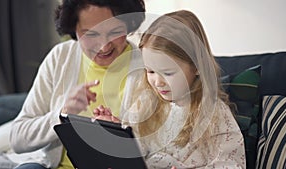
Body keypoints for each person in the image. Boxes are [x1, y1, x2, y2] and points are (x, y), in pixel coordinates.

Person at [94, 10, 246, 168]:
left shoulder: (213, 114)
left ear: (197, 66)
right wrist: (117, 131)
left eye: (168, 73)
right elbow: (135, 150)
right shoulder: (146, 102)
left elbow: (231, 164)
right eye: (151, 71)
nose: (158, 82)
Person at [9, 0, 146, 169]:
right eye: (91, 34)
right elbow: (18, 138)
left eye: (115, 32)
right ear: (73, 30)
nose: (104, 47)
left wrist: (121, 138)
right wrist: (62, 115)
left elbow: (164, 145)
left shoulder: (148, 67)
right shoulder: (60, 57)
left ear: (129, 24)